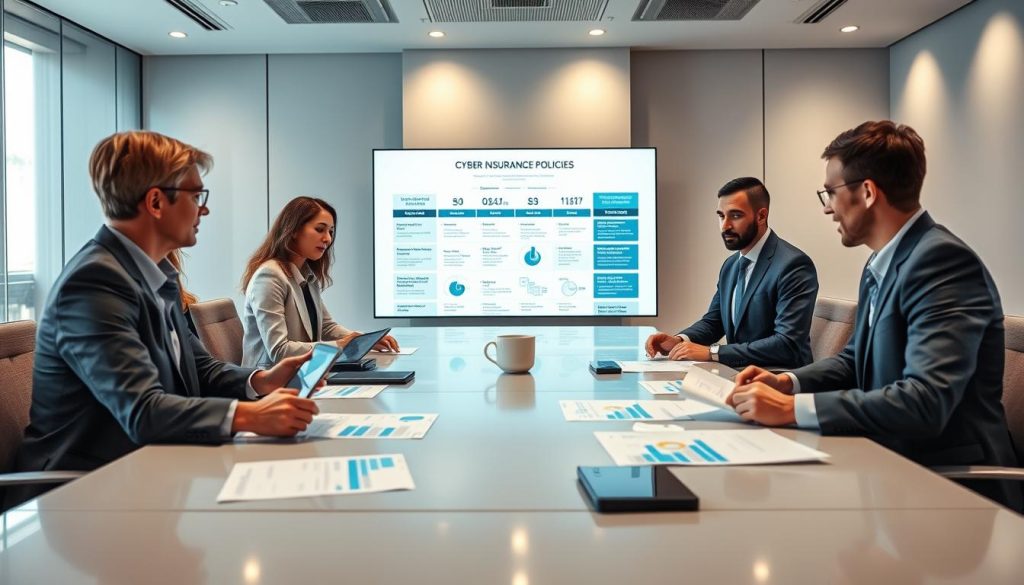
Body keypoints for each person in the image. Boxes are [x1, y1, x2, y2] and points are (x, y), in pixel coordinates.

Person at [8, 131, 320, 508]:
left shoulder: (157, 277)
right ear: (156, 201)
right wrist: (247, 415)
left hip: (150, 470)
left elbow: (198, 370)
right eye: (196, 196)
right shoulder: (93, 283)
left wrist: (259, 380)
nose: (203, 210)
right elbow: (143, 410)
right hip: (84, 495)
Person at [727, 121, 1022, 511]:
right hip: (890, 466)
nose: (828, 206)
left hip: (950, 490)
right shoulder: (880, 264)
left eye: (830, 193)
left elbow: (926, 401)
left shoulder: (942, 262)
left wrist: (791, 410)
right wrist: (786, 382)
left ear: (867, 192)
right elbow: (855, 361)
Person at [645, 177, 818, 369]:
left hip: (778, 377)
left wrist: (712, 353)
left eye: (735, 216)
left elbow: (786, 344)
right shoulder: (731, 265)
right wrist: (679, 340)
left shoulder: (793, 265)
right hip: (739, 372)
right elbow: (714, 321)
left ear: (761, 216)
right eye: (721, 216)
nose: (725, 225)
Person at [240, 196, 399, 369]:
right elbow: (279, 351)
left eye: (331, 231)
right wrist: (340, 345)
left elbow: (327, 327)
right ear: (293, 230)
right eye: (320, 229)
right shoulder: (269, 276)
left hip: (303, 373)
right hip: (271, 383)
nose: (328, 239)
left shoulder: (305, 274)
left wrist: (362, 340)